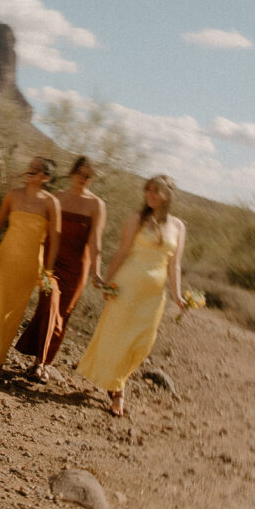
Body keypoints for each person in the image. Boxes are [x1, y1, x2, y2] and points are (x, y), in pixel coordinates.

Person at [76, 175, 186, 417]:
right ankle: (118, 390)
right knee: (118, 337)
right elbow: (122, 251)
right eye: (147, 190)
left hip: (154, 295)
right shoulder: (137, 218)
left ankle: (116, 380)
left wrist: (178, 296)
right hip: (126, 287)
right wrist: (106, 280)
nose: (150, 195)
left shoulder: (178, 226)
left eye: (155, 191)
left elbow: (175, 264)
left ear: (167, 194)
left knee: (142, 343)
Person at [16, 156, 105, 383]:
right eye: (80, 174)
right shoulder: (57, 198)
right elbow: (43, 230)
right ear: (72, 173)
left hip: (77, 268)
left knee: (61, 315)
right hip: (52, 261)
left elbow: (96, 242)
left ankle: (45, 363)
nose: (83, 179)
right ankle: (39, 364)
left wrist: (97, 272)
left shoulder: (96, 205)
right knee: (48, 307)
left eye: (88, 176)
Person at [0, 157, 60, 386]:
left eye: (36, 169)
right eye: (30, 167)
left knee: (12, 315)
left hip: (30, 265)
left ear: (46, 177)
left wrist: (48, 272)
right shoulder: (13, 194)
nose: (30, 170)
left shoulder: (52, 203)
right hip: (5, 259)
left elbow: (55, 239)